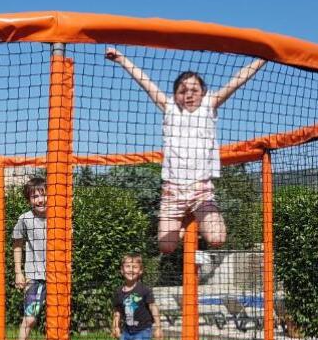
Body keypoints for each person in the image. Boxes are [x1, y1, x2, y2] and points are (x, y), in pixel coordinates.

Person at [106, 47, 266, 254]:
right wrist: (121, 59)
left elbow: (237, 80)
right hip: (173, 191)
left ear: (203, 93)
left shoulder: (209, 105)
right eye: (182, 91)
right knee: (166, 247)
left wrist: (262, 59)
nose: (189, 95)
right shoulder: (169, 108)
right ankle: (184, 220)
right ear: (175, 95)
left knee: (217, 239)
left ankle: (194, 215)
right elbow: (144, 81)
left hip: (201, 192)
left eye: (194, 90)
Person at [12, 177, 47, 340]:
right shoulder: (25, 219)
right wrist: (18, 272)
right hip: (35, 277)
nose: (40, 199)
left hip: (58, 278)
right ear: (29, 200)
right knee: (30, 319)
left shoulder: (60, 216)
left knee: (58, 324)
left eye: (43, 194)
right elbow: (17, 245)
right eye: (35, 196)